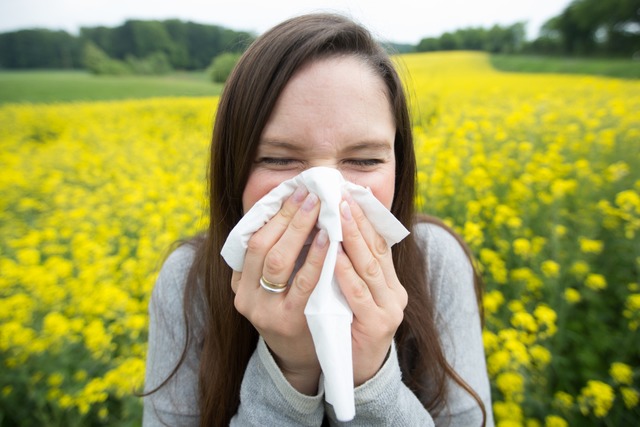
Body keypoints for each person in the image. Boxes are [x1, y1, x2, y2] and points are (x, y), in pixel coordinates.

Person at [143, 13, 494, 427]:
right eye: (278, 158)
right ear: (233, 167)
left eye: (364, 159)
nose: (326, 192)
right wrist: (288, 373)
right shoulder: (190, 281)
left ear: (400, 163)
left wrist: (370, 379)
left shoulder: (435, 260)